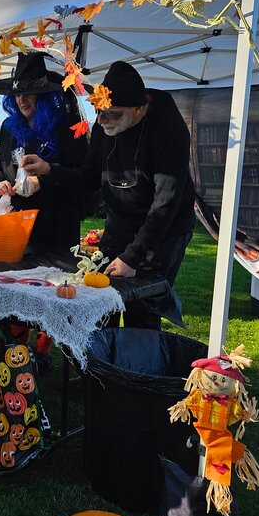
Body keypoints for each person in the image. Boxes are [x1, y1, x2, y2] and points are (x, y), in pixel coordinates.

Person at [21, 61, 196, 328]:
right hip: (120, 223)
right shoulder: (104, 127)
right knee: (102, 300)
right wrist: (48, 170)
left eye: (112, 114)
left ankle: (137, 365)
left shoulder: (168, 130)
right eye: (99, 112)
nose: (102, 121)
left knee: (142, 308)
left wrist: (133, 256)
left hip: (165, 230)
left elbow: (166, 202)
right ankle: (103, 365)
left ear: (139, 111)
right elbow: (89, 178)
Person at [0, 51, 88, 366]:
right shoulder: (9, 128)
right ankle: (20, 346)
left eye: (28, 92)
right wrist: (0, 184)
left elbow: (84, 179)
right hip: (19, 227)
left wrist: (48, 172)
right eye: (17, 93)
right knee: (17, 286)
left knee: (51, 288)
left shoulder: (68, 126)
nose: (21, 99)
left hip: (57, 225)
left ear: (44, 94)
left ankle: (44, 346)